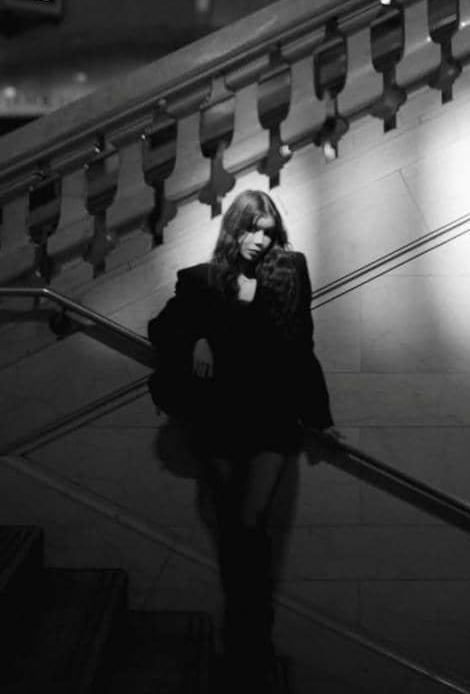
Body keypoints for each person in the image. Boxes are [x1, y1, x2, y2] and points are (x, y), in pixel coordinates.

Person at [147, 188, 338, 687]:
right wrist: (198, 337)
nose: (259, 240)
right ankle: (247, 641)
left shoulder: (288, 273)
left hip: (272, 419)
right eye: (251, 229)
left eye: (268, 232)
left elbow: (302, 346)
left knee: (249, 521)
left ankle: (251, 636)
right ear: (234, 229)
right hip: (220, 420)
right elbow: (159, 330)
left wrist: (321, 417)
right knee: (236, 526)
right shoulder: (201, 281)